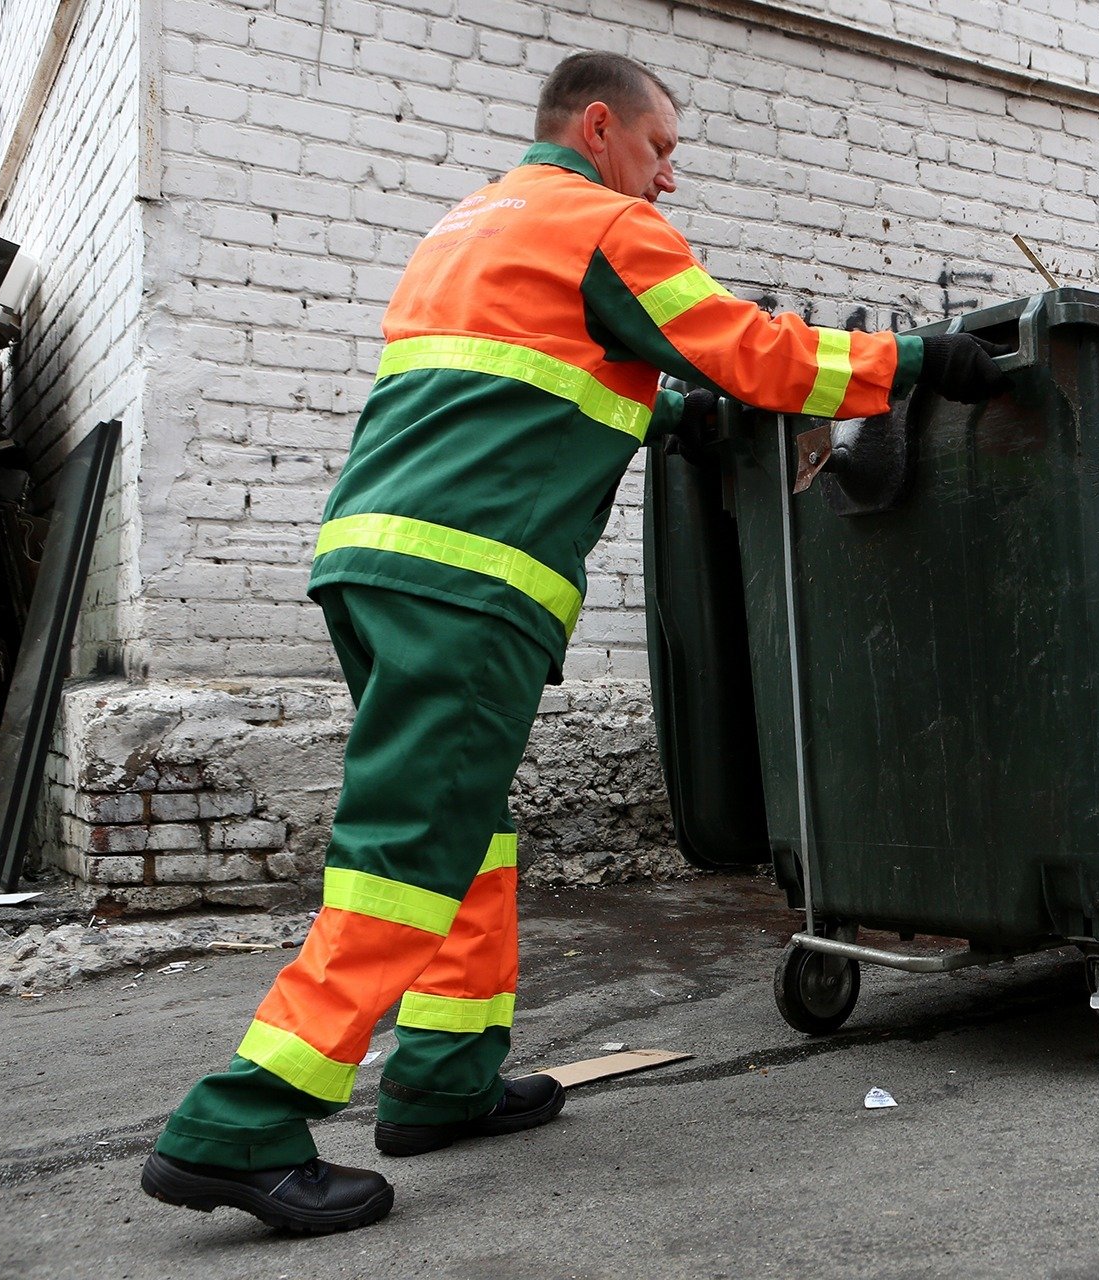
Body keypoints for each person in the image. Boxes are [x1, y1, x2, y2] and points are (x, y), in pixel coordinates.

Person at [140, 51, 1005, 1234]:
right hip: (470, 579)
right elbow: (753, 348)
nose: (666, 184)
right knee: (408, 847)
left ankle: (442, 1077)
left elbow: (545, 380)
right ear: (598, 127)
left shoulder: (470, 227)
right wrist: (915, 362)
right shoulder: (606, 226)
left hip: (377, 562)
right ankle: (239, 1121)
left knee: (466, 828)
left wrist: (678, 409)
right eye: (660, 154)